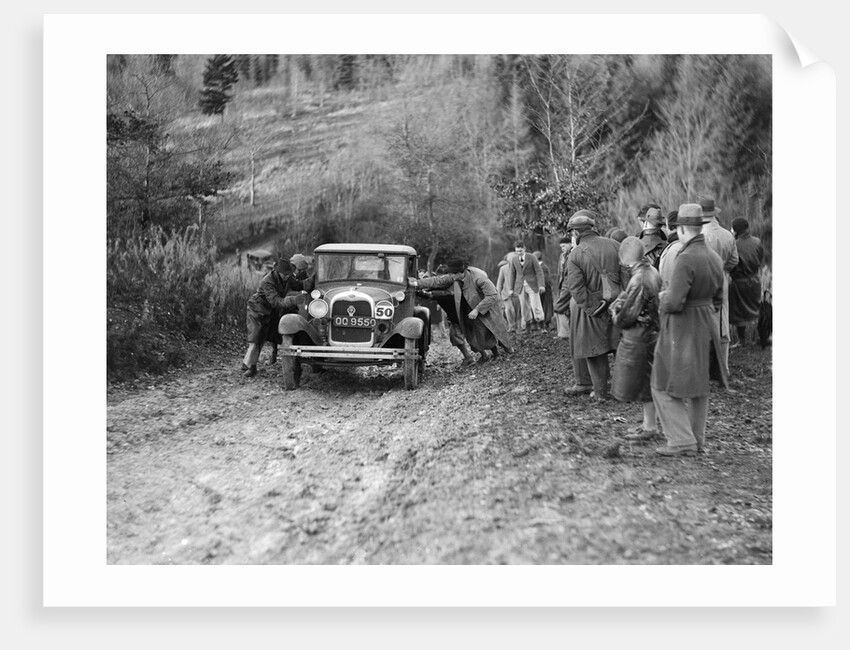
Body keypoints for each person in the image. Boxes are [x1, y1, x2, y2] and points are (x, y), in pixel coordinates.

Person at [651, 203, 727, 456]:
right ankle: (697, 440)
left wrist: (662, 296)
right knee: (699, 386)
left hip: (682, 327)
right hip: (707, 324)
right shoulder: (714, 257)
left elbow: (674, 302)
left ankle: (682, 440)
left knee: (660, 383)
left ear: (682, 229)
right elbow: (719, 299)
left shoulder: (685, 258)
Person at [564, 210, 624, 401]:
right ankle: (623, 391)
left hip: (592, 311)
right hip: (618, 306)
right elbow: (627, 277)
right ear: (592, 228)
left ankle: (601, 393)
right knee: (619, 349)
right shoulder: (615, 245)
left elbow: (576, 289)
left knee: (595, 352)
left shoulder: (574, 255)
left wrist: (594, 309)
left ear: (575, 233)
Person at [609, 237, 662, 440]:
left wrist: (615, 313)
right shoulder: (651, 271)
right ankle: (649, 424)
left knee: (643, 382)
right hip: (652, 333)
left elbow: (626, 317)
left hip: (640, 337)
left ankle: (650, 427)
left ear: (624, 260)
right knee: (646, 381)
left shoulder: (638, 278)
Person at [414, 258, 514, 362]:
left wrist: (477, 310)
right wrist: (417, 283)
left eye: (452, 274)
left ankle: (503, 352)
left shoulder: (479, 278)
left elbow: (492, 295)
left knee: (493, 329)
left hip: (489, 305)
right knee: (478, 332)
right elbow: (437, 281)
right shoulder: (455, 277)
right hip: (470, 307)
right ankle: (490, 355)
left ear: (458, 273)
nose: (450, 276)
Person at [242, 259, 306, 377]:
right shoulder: (268, 281)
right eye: (285, 274)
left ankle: (251, 363)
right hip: (257, 309)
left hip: (270, 311)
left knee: (276, 336)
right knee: (256, 337)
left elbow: (300, 285)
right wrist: (293, 300)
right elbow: (276, 301)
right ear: (278, 272)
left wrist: (314, 280)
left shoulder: (288, 278)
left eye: (288, 274)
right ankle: (250, 367)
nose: (287, 277)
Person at [699, 197, 738, 381]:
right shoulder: (727, 235)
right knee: (723, 327)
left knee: (701, 325)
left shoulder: (698, 234)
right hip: (721, 279)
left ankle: (705, 370)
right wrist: (723, 269)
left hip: (701, 281)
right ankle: (723, 370)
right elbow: (734, 261)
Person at [728, 217, 765, 346]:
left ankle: (741, 341)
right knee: (756, 310)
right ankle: (762, 337)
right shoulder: (757, 242)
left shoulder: (734, 244)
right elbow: (760, 259)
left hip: (739, 282)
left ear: (736, 230)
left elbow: (731, 263)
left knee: (739, 312)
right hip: (755, 280)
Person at [508, 241, 546, 333]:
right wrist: (511, 289)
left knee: (535, 305)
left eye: (520, 251)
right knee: (524, 307)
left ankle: (542, 326)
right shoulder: (514, 259)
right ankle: (528, 327)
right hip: (520, 286)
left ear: (524, 249)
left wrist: (541, 285)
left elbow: (539, 272)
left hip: (532, 285)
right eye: (517, 251)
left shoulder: (531, 257)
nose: (519, 253)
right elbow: (512, 274)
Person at [495, 254, 522, 335]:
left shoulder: (520, 268)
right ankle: (511, 326)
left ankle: (518, 327)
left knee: (518, 311)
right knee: (509, 310)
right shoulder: (503, 269)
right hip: (506, 294)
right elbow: (500, 282)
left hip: (517, 293)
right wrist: (498, 294)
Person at [553, 236, 572, 340]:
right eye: (561, 246)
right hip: (562, 286)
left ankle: (564, 333)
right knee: (563, 308)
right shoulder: (562, 256)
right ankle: (564, 332)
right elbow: (559, 273)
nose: (562, 248)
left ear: (570, 244)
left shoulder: (573, 254)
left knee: (559, 307)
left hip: (570, 286)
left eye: (564, 246)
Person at [533, 250, 554, 331]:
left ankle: (547, 324)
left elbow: (546, 280)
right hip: (541, 289)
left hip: (545, 290)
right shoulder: (541, 267)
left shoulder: (543, 267)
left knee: (546, 307)